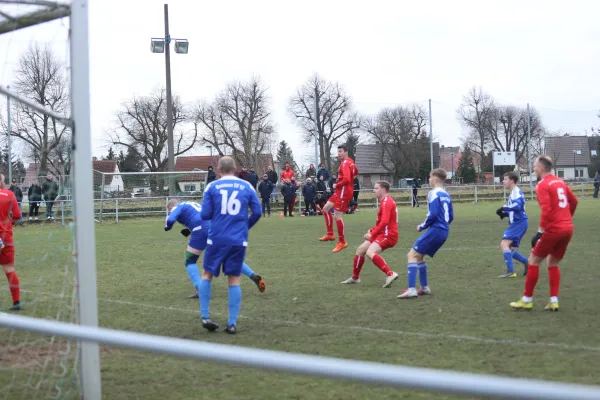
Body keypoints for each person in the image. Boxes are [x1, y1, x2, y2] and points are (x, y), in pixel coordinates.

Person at [199, 156, 262, 334]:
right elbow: (257, 212)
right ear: (235, 169)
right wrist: (244, 227)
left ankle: (205, 316)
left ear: (218, 170)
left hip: (216, 238)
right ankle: (232, 323)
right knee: (234, 278)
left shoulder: (212, 186)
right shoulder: (247, 186)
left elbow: (204, 214)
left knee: (207, 274)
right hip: (237, 239)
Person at [510, 155, 578, 311]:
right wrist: (566, 218)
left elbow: (546, 211)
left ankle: (527, 300)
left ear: (541, 168)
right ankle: (554, 301)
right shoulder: (560, 181)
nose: (533, 168)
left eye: (534, 166)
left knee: (533, 260)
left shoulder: (542, 185)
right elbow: (574, 202)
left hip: (554, 228)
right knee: (552, 262)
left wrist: (540, 232)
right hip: (567, 228)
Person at [164, 199, 265, 300]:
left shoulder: (177, 207)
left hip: (201, 230)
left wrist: (167, 227)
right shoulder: (190, 204)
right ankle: (253, 275)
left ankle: (201, 290)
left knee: (190, 261)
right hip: (214, 227)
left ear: (170, 207)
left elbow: (171, 220)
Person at [398, 168, 453, 299]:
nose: (428, 180)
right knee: (420, 256)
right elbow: (450, 216)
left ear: (435, 179)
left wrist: (422, 226)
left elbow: (433, 214)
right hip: (444, 231)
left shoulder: (433, 193)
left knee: (411, 254)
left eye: (429, 177)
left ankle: (411, 289)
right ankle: (424, 287)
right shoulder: (446, 194)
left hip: (436, 229)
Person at [341, 181, 399, 287]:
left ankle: (390, 274)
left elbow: (385, 222)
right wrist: (372, 230)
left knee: (370, 252)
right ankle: (355, 278)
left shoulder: (386, 202)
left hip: (388, 235)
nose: (374, 190)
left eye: (376, 188)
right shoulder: (385, 201)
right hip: (382, 233)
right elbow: (383, 222)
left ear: (383, 190)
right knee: (360, 250)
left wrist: (372, 234)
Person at [318, 144, 359, 253]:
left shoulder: (345, 163)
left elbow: (346, 179)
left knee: (337, 216)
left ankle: (342, 241)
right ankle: (330, 234)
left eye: (340, 151)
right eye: (338, 151)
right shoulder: (350, 162)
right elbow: (355, 173)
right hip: (340, 192)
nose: (339, 153)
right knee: (325, 209)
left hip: (343, 192)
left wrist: (338, 184)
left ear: (346, 152)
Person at [496, 171, 529, 278]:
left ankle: (511, 271)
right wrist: (505, 214)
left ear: (512, 180)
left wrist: (503, 208)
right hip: (518, 222)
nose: (503, 181)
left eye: (505, 179)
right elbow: (516, 209)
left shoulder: (516, 192)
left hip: (519, 223)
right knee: (508, 247)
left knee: (504, 244)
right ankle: (527, 262)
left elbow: (517, 206)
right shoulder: (514, 192)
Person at [0, 174, 23, 311]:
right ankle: (16, 302)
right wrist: (9, 224)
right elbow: (17, 215)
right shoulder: (9, 194)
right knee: (9, 269)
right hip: (6, 237)